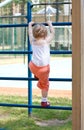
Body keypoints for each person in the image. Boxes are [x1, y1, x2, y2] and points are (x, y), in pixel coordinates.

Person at [28, 21, 54, 107]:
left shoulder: (32, 41)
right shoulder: (46, 41)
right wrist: (50, 24)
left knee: (32, 64)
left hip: (32, 66)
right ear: (45, 34)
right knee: (45, 85)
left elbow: (30, 33)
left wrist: (29, 25)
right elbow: (53, 32)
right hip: (43, 69)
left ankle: (36, 75)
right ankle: (44, 101)